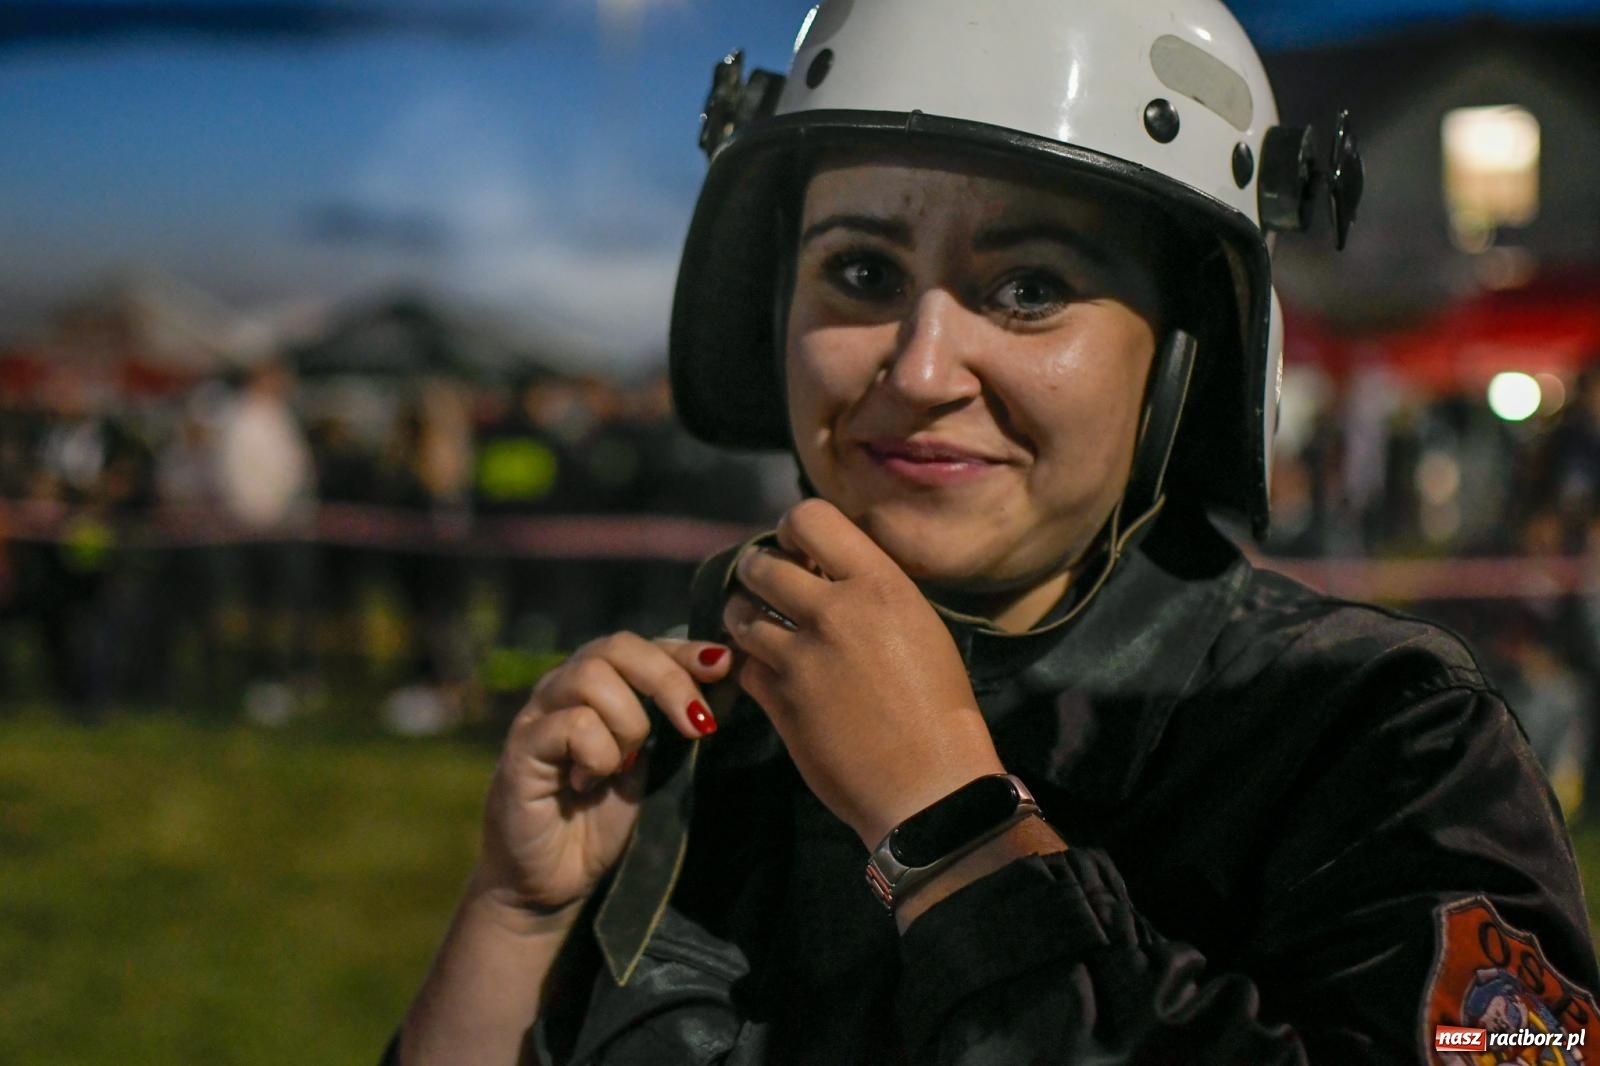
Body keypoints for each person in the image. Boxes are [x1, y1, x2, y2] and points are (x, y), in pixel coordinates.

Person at [387, 1, 1598, 1062]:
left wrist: (951, 829)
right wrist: (515, 915)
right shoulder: (709, 718)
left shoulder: (1380, 743)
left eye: (1030, 288)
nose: (919, 369)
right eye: (858, 274)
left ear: (1185, 359)